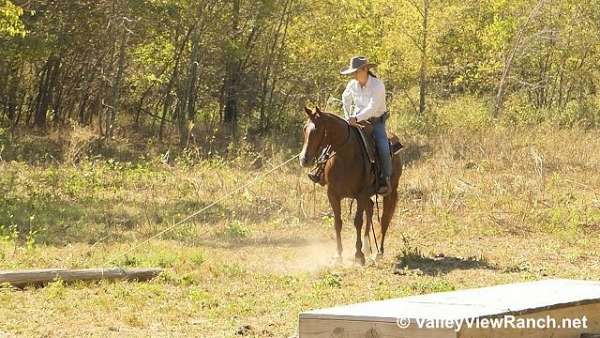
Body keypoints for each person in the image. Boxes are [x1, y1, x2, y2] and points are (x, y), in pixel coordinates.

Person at [341, 56, 392, 196]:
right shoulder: (352, 85)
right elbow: (345, 98)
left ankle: (385, 179)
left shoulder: (377, 85)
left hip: (376, 122)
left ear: (364, 70)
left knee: (383, 147)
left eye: (355, 71)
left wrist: (355, 117)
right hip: (355, 121)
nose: (353, 75)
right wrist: (347, 115)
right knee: (339, 140)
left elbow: (372, 108)